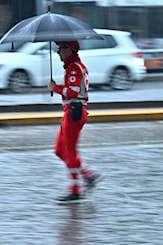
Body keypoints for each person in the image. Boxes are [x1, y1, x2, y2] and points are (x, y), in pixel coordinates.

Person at [48, 41, 103, 204]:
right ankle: (87, 175)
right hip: (70, 111)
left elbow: (73, 91)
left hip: (74, 111)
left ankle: (75, 190)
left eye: (61, 49)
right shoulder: (72, 66)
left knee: (69, 151)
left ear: (69, 50)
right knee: (59, 150)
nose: (58, 53)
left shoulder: (74, 67)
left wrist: (55, 88)